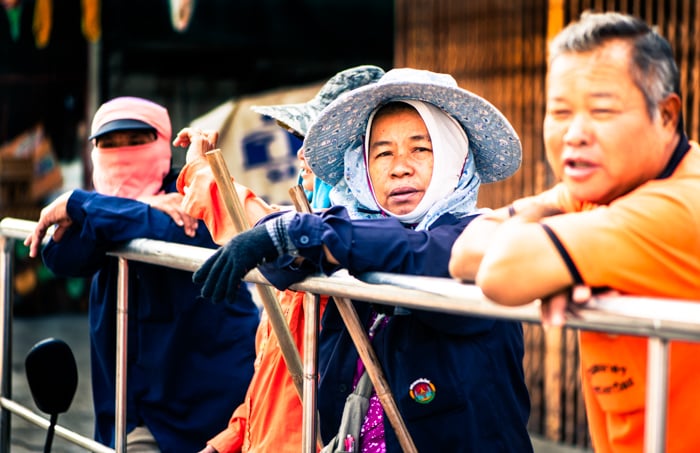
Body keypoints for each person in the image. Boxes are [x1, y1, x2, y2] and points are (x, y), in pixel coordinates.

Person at [193, 67, 533, 452]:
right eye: (383, 152)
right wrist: (277, 239)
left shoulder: (480, 234)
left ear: (457, 159)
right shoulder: (358, 236)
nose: (400, 166)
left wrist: (292, 233)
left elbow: (417, 252)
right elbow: (286, 266)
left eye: (421, 149)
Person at [448, 11, 700, 453]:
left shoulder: (683, 205)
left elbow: (501, 271)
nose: (574, 134)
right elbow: (465, 251)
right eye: (560, 112)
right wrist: (555, 233)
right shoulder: (597, 192)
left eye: (602, 111)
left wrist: (542, 245)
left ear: (665, 115)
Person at [23, 96, 259, 452]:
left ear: (163, 143)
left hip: (207, 407)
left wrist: (80, 202)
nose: (123, 152)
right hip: (130, 409)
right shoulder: (100, 212)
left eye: (136, 141)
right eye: (109, 144)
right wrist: (139, 207)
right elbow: (60, 254)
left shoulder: (193, 195)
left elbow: (174, 230)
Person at [173, 65, 386, 453]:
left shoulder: (358, 242)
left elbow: (257, 222)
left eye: (319, 143)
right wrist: (230, 441)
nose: (302, 153)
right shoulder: (308, 230)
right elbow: (271, 379)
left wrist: (201, 172)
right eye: (302, 139)